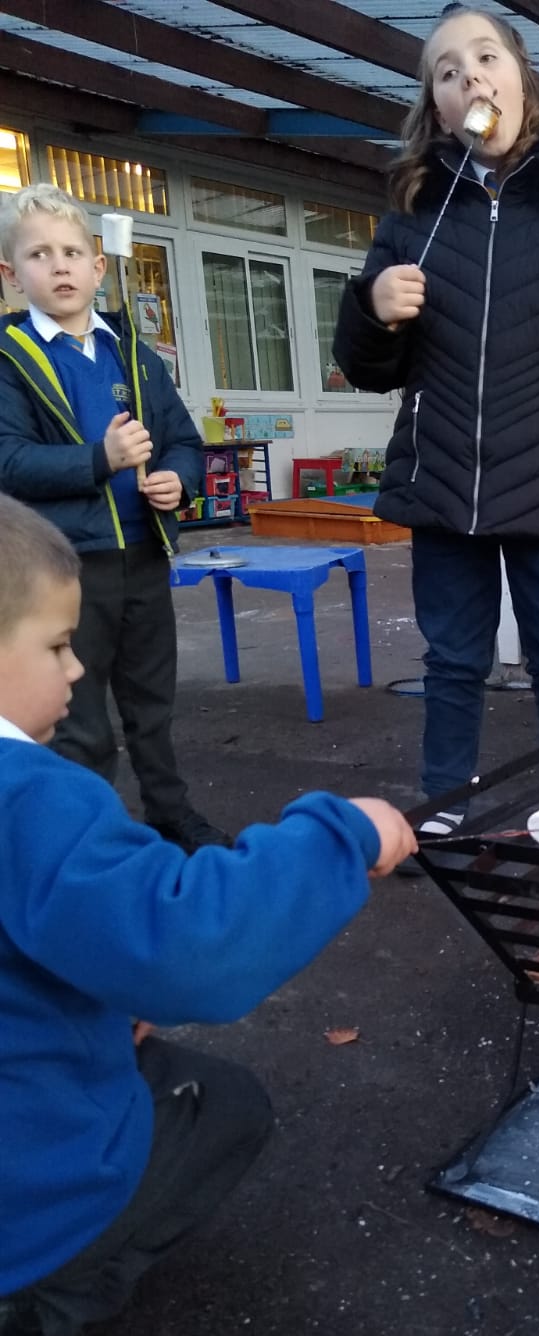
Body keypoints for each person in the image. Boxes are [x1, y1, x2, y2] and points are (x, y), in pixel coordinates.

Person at [0, 496, 418, 1336]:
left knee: (132, 1039)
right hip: (22, 1190)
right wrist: (341, 832)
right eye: (58, 645)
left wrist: (104, 1005)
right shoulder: (29, 798)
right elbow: (194, 946)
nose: (78, 670)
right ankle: (26, 1321)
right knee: (226, 1105)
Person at [333, 3, 539, 848]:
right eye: (448, 70)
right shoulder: (413, 215)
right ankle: (443, 804)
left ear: (523, 76)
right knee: (452, 659)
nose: (471, 76)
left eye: (486, 57)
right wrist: (373, 309)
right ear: (437, 109)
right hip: (445, 481)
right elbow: (372, 367)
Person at [0, 182, 227, 853]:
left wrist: (177, 482)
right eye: (40, 254)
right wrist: (100, 458)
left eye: (73, 251)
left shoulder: (133, 354)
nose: (60, 265)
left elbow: (185, 439)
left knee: (152, 702)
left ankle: (169, 811)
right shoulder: (10, 361)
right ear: (12, 276)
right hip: (68, 569)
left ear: (100, 268)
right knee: (79, 716)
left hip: (144, 558)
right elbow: (9, 461)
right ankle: (86, 834)